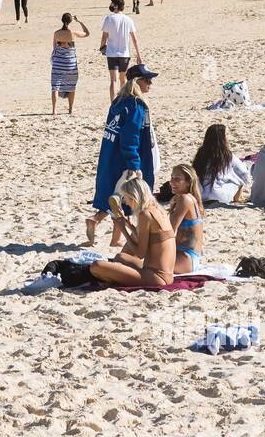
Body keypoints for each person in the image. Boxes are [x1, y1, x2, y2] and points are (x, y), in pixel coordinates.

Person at [86, 63, 158, 246]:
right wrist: (134, 164)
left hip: (110, 155)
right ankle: (111, 235)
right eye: (148, 80)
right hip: (125, 158)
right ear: (138, 81)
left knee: (116, 195)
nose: (150, 84)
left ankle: (102, 225)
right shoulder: (135, 105)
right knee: (127, 198)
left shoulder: (118, 102)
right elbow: (130, 136)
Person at [86, 175, 175, 287]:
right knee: (120, 257)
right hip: (166, 275)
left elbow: (140, 253)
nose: (126, 203)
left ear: (134, 197)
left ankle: (113, 280)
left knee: (97, 266)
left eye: (126, 198)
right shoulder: (158, 210)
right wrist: (128, 224)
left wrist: (123, 230)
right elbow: (150, 238)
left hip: (156, 277)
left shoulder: (145, 214)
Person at [192, 123, 252, 204]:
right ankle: (238, 198)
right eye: (226, 135)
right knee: (239, 178)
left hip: (200, 195)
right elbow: (243, 172)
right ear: (222, 138)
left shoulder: (201, 153)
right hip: (219, 196)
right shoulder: (226, 155)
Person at [99, 0, 142, 100]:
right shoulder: (128, 20)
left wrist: (101, 47)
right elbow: (134, 39)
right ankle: (123, 101)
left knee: (113, 80)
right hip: (124, 54)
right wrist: (138, 54)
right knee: (123, 80)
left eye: (112, 4)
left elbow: (104, 36)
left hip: (112, 53)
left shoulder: (109, 19)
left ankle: (113, 102)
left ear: (116, 6)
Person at [166, 164, 205, 274]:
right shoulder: (192, 199)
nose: (172, 182)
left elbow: (170, 231)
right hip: (191, 258)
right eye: (172, 178)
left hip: (185, 258)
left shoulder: (185, 199)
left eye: (177, 179)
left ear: (188, 182)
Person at [51, 13, 89, 115]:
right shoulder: (73, 33)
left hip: (58, 62)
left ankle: (54, 110)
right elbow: (87, 33)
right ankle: (70, 109)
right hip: (70, 62)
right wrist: (79, 21)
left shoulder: (56, 33)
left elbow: (54, 48)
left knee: (55, 86)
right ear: (70, 21)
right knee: (71, 86)